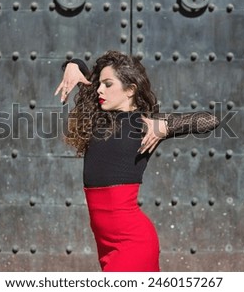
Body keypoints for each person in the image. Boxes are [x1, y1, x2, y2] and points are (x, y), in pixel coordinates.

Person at [54, 50, 219, 272]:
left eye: (108, 84)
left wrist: (166, 127)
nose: (100, 89)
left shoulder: (145, 124)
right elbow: (79, 70)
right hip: (105, 245)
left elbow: (211, 120)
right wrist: (72, 64)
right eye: (99, 83)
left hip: (132, 242)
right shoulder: (100, 116)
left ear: (130, 90)